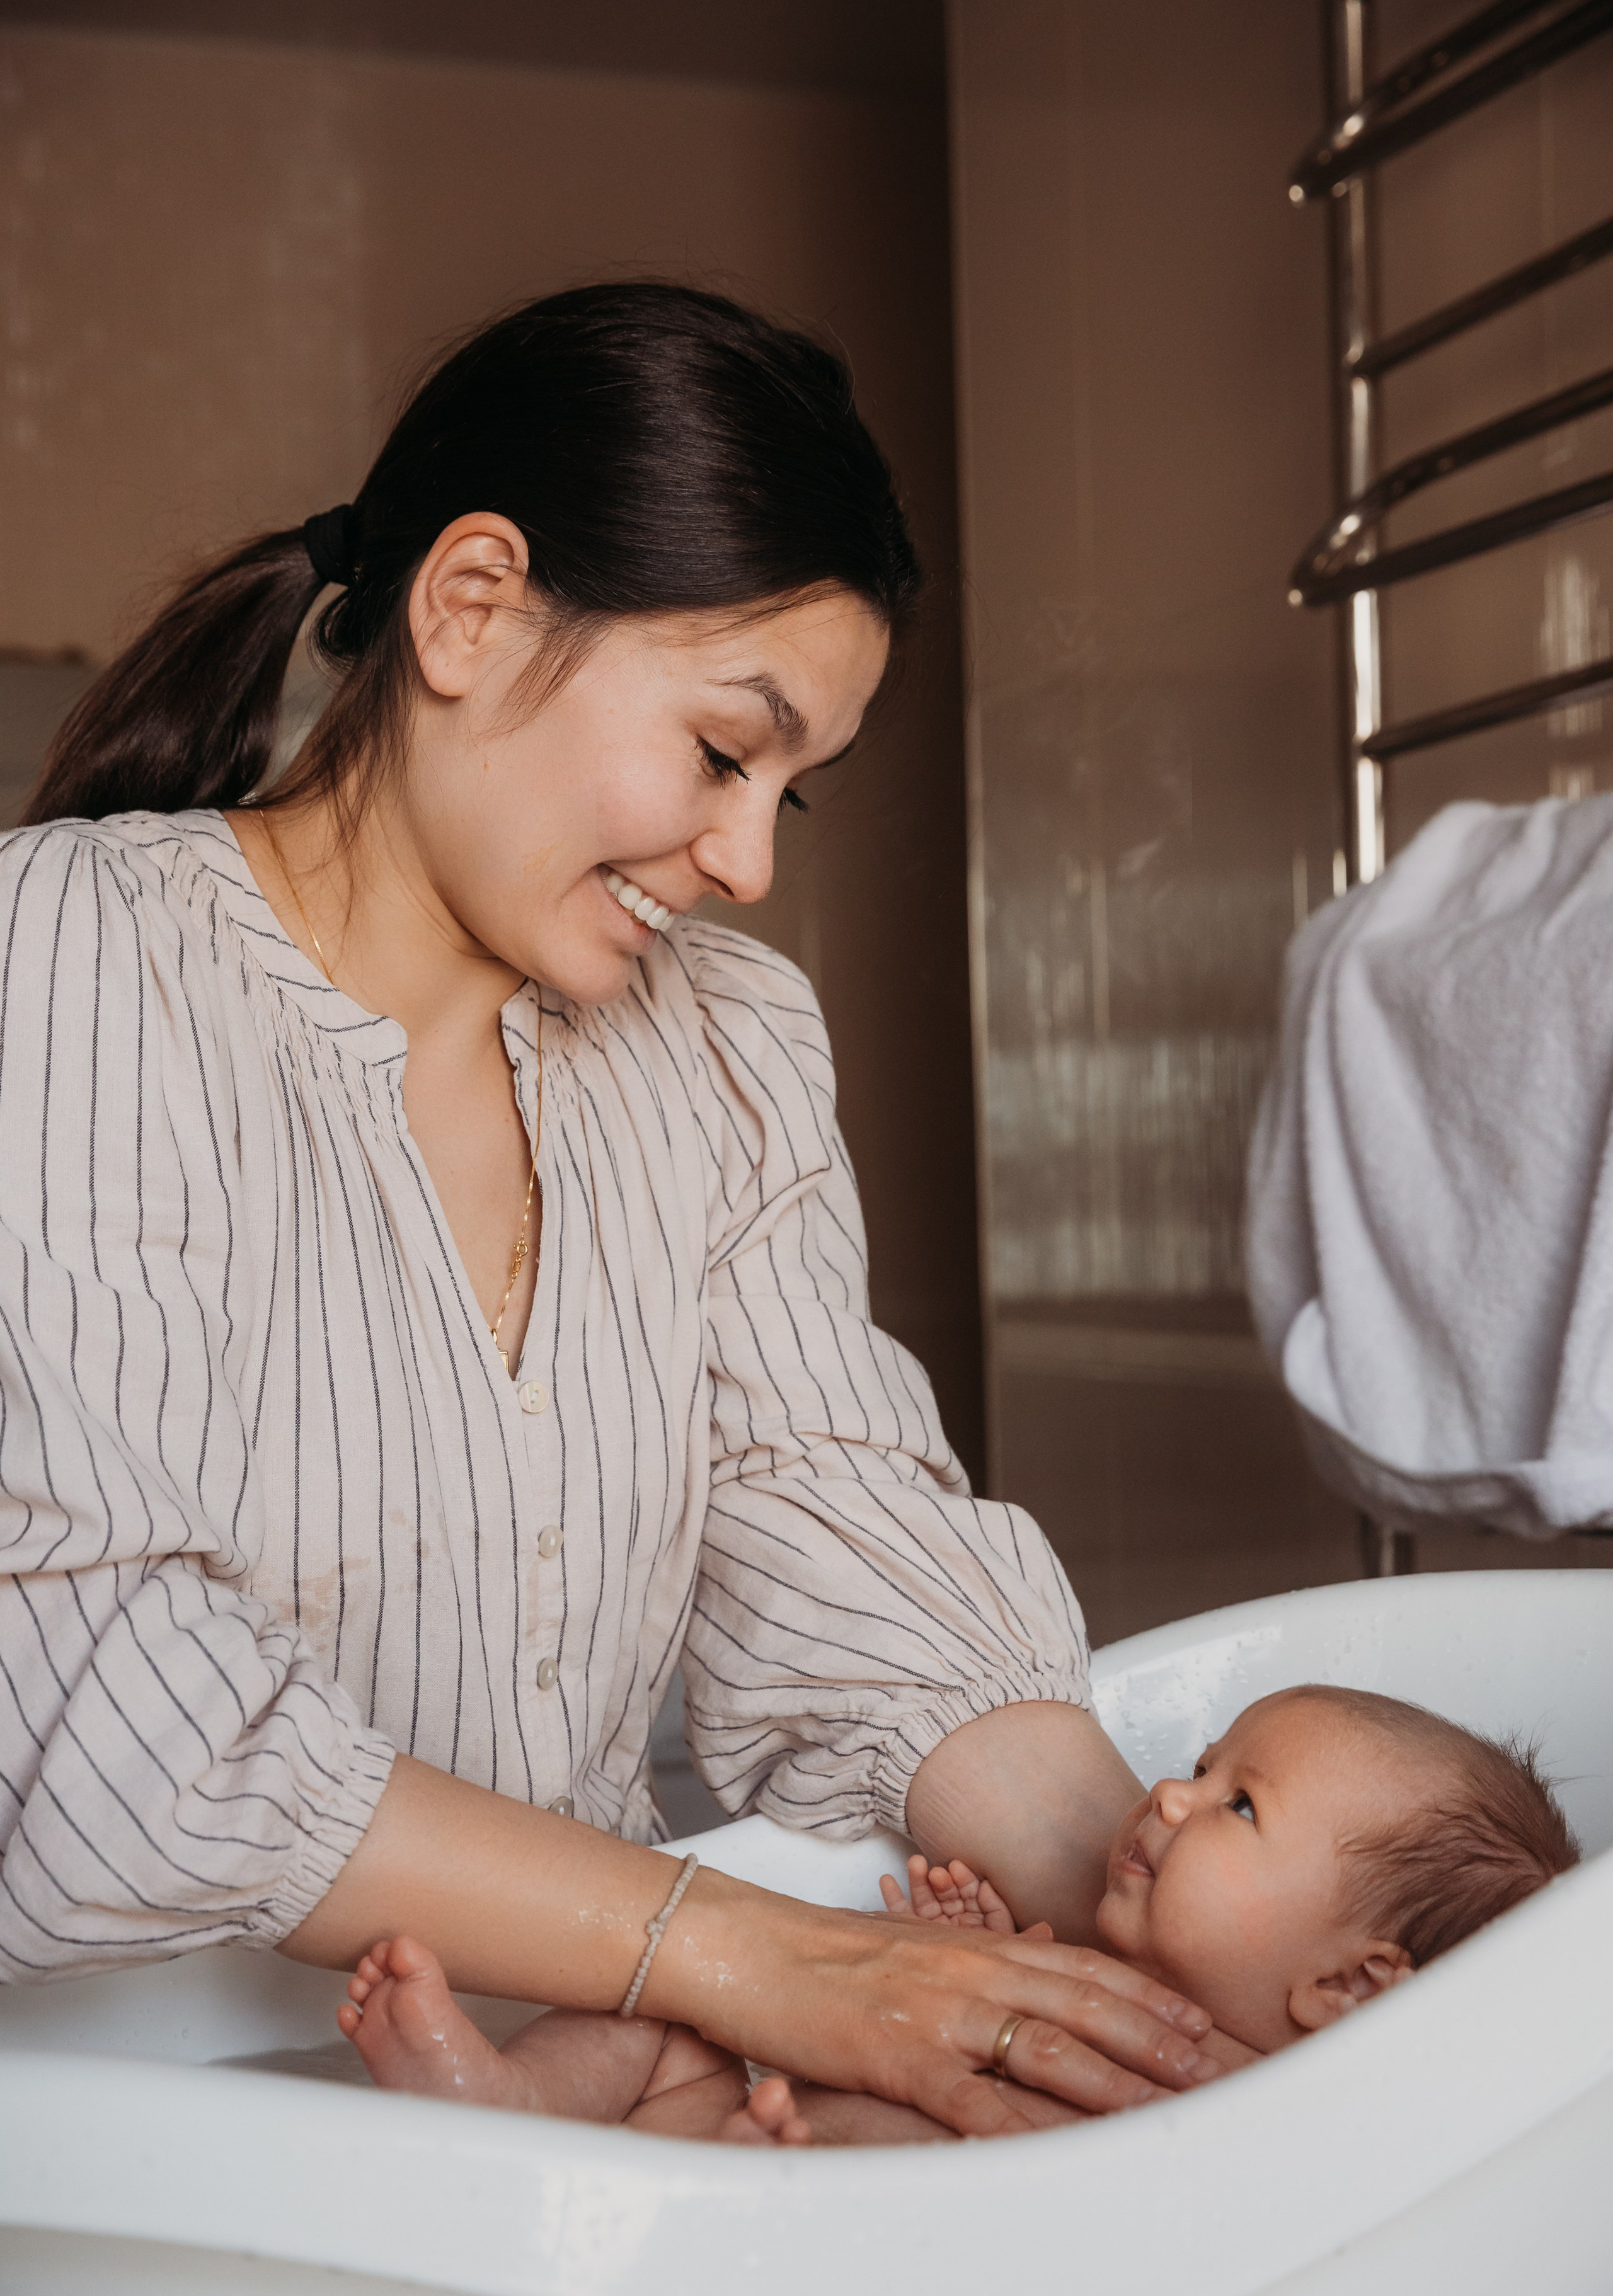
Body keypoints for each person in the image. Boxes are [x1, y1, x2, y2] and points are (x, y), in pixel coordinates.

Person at [0, 282, 1200, 2135]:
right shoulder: (71, 957)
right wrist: (756, 1958)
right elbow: (105, 1709)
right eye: (730, 750)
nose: (747, 859)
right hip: (157, 2154)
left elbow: (841, 1542)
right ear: (471, 608)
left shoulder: (726, 1046)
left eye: (797, 790)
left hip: (585, 2134)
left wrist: (1195, 1942)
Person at [332, 1684, 1578, 2143]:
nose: (1169, 1792)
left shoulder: (1255, 2104)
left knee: (922, 2163)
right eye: (1201, 1759)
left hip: (858, 2195)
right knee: (666, 2009)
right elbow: (917, 2010)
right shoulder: (1084, 1949)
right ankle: (514, 2106)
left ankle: (767, 2205)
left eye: (1235, 1807)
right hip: (725, 2102)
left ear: (1347, 1988)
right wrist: (964, 1946)